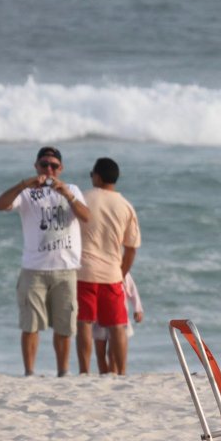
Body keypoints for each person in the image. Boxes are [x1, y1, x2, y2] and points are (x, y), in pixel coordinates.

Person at [0, 147, 91, 376]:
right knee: (30, 325)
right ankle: (29, 372)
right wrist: (23, 185)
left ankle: (63, 371)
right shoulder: (26, 193)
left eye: (54, 166)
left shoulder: (73, 189)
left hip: (65, 268)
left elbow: (87, 217)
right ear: (36, 166)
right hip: (34, 269)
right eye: (44, 165)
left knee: (65, 326)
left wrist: (67, 194)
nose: (49, 170)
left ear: (61, 168)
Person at [76, 157, 141, 376]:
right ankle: (121, 372)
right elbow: (131, 248)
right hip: (112, 273)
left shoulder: (83, 198)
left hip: (83, 270)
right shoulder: (125, 206)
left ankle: (84, 371)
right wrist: (121, 273)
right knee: (117, 325)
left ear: (97, 176)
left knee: (84, 322)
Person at [92, 272, 143, 374]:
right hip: (98, 318)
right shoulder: (95, 269)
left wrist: (137, 309)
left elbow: (132, 291)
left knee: (112, 353)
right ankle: (104, 376)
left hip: (118, 317)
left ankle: (115, 376)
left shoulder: (121, 270)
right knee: (100, 353)